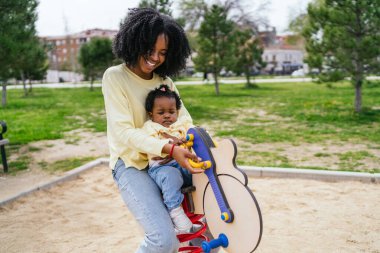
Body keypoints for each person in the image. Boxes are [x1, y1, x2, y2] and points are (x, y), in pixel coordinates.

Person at [102, 7, 204, 253]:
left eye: (163, 53)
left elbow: (185, 121)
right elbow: (124, 133)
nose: (155, 58)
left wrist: (190, 141)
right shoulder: (115, 77)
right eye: (150, 49)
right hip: (131, 164)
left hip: (169, 158)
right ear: (135, 41)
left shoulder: (164, 82)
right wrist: (168, 147)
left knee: (208, 224)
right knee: (163, 240)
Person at [143, 84, 194, 233]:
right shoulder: (150, 127)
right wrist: (169, 144)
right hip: (161, 169)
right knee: (171, 176)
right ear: (151, 114)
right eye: (161, 112)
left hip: (183, 165)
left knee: (199, 171)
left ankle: (203, 208)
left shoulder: (181, 125)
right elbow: (148, 142)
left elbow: (193, 135)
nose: (167, 115)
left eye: (171, 112)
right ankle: (176, 213)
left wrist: (192, 139)